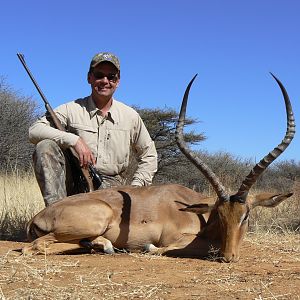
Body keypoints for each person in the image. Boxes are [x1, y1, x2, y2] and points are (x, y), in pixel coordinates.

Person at [29, 52, 158, 206]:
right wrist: (74, 140)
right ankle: (55, 213)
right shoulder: (71, 109)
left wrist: (136, 188)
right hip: (74, 180)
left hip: (112, 187)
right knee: (45, 147)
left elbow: (149, 155)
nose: (105, 81)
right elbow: (34, 130)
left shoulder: (130, 116)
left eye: (111, 77)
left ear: (118, 82)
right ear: (89, 77)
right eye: (99, 75)